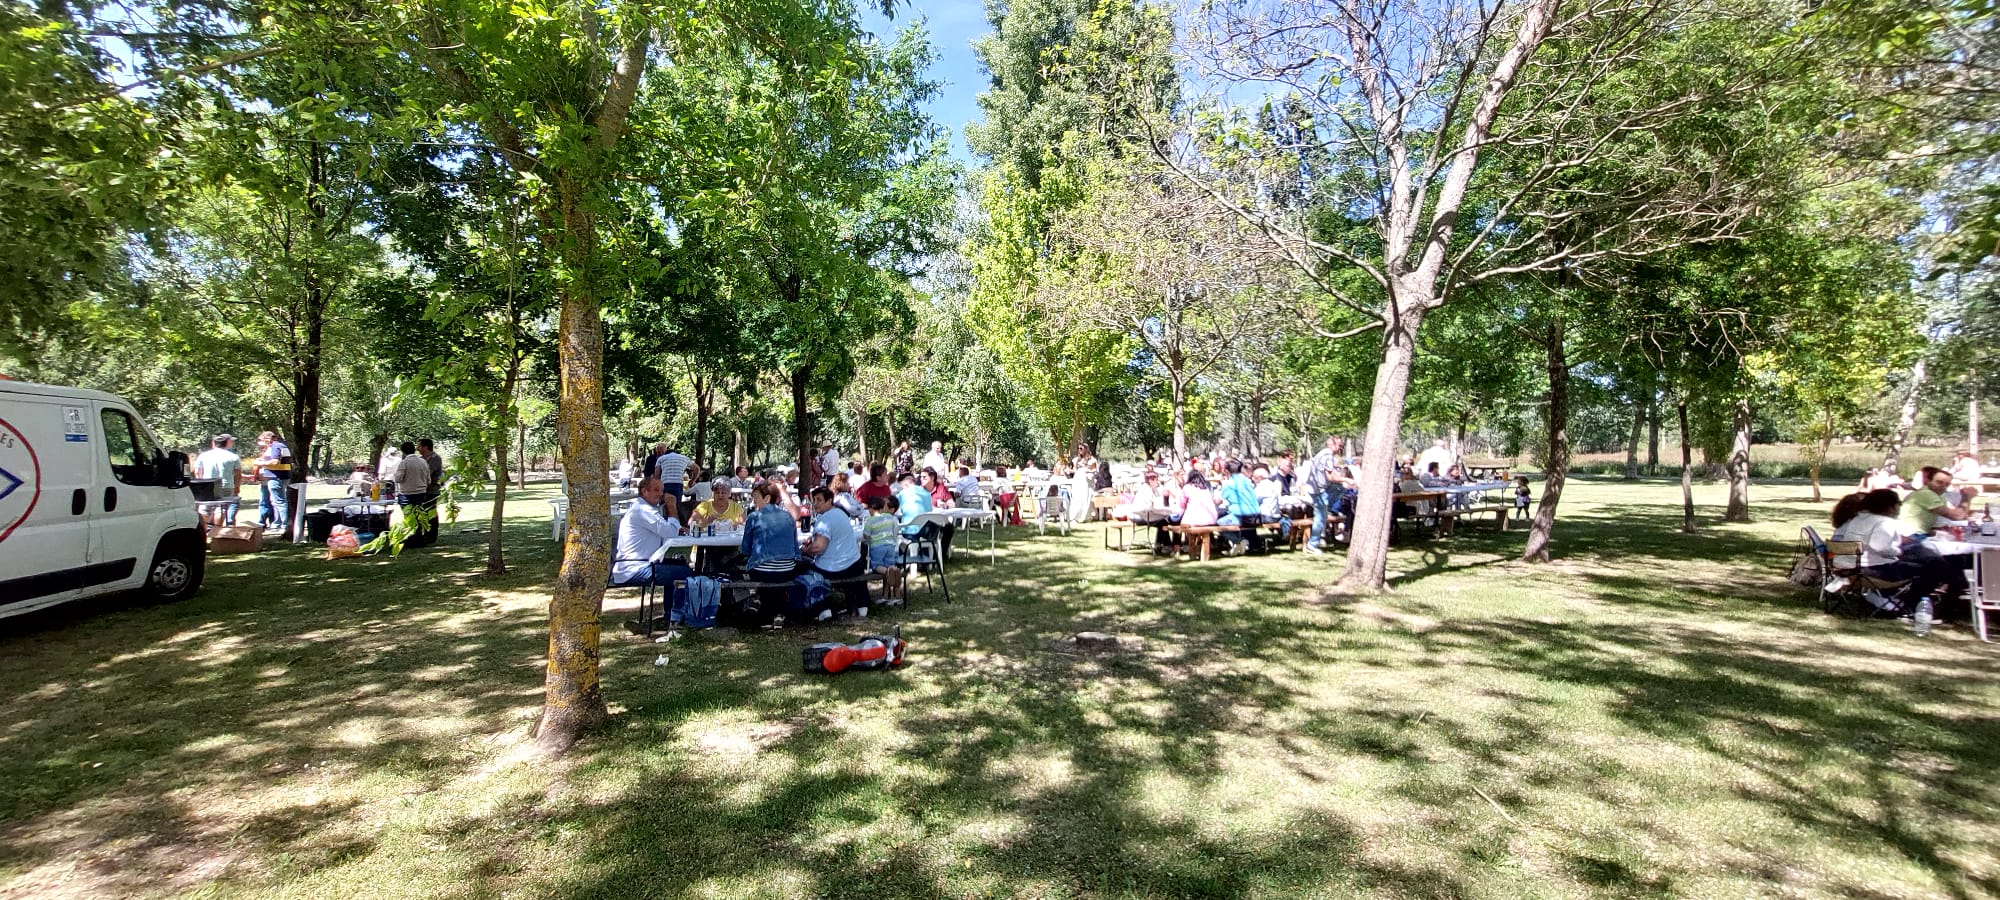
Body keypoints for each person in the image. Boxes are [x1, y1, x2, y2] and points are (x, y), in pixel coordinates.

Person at [1834, 488, 1968, 617]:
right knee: (1933, 567)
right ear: (1890, 506)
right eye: (1898, 503)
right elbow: (1880, 547)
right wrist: (1896, 551)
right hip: (1873, 571)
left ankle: (1904, 600)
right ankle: (1913, 605)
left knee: (1930, 563)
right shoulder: (1883, 522)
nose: (1899, 506)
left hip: (1851, 569)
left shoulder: (1859, 519)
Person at [611, 476, 693, 590]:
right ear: (644, 491)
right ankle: (676, 608)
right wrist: (671, 506)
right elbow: (671, 533)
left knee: (680, 565)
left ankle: (671, 607)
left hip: (639, 564)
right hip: (635, 568)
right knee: (686, 573)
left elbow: (667, 531)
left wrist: (677, 528)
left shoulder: (644, 508)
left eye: (662, 490)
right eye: (656, 490)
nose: (661, 494)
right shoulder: (643, 510)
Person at [805, 487, 867, 616]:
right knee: (855, 573)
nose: (815, 504)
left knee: (806, 572)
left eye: (819, 500)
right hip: (853, 564)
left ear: (829, 501)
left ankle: (822, 608)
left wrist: (805, 550)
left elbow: (818, 547)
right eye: (814, 500)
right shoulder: (841, 514)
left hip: (832, 569)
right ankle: (862, 605)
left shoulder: (825, 519)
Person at [1901, 466, 1970, 533]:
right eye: (1939, 482)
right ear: (1928, 481)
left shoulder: (1935, 495)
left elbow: (1960, 515)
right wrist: (1966, 496)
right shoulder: (1927, 494)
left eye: (1947, 484)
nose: (1943, 487)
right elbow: (1958, 516)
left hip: (1915, 534)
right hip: (1910, 536)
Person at [1304, 436, 1342, 553]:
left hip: (1317, 489)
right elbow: (1330, 477)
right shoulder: (1328, 456)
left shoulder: (1320, 454)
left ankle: (1328, 509)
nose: (1341, 448)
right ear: (1332, 445)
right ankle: (1312, 544)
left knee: (1339, 489)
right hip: (1319, 491)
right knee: (1320, 518)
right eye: (1340, 446)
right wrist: (1346, 480)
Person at [1216, 459, 1262, 555]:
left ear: (1227, 471)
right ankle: (1240, 545)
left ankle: (1239, 541)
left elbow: (1218, 501)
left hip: (1241, 516)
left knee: (1218, 523)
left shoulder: (1229, 484)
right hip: (1256, 515)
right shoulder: (1247, 481)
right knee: (1229, 518)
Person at [864, 494, 905, 604]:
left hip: (879, 547)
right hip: (891, 546)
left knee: (877, 566)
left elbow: (866, 536)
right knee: (892, 569)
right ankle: (891, 596)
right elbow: (893, 534)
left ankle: (892, 586)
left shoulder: (871, 520)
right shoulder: (891, 519)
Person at [391, 441, 433, 546]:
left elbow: (398, 478)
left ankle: (412, 538)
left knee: (409, 517)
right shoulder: (423, 462)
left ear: (403, 451)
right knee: (420, 517)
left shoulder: (404, 462)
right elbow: (428, 480)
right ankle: (421, 538)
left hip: (407, 493)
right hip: (421, 492)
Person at [193, 434, 241, 524]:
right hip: (226, 485)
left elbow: (197, 471)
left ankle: (205, 529)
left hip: (207, 485)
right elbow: (237, 474)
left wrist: (200, 484)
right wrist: (237, 486)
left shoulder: (204, 456)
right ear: (226, 443)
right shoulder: (233, 457)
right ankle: (217, 530)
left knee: (205, 509)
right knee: (221, 509)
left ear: (213, 443)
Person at [252, 431, 292, 533]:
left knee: (279, 501)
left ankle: (284, 524)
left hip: (276, 477)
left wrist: (260, 463)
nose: (261, 443)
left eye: (262, 440)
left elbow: (275, 462)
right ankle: (277, 523)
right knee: (276, 501)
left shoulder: (275, 447)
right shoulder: (281, 446)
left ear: (268, 439)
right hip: (282, 476)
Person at [416, 438, 445, 547]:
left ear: (425, 447)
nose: (417, 448)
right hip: (421, 490)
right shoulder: (420, 459)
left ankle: (432, 536)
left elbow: (429, 473)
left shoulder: (435, 458)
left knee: (431, 513)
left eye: (419, 446)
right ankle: (423, 534)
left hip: (431, 490)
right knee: (422, 513)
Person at [1253, 464, 1288, 541]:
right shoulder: (1273, 484)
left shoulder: (1260, 486)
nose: (1253, 479)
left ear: (1259, 478)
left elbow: (1255, 500)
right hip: (1275, 516)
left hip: (1265, 516)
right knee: (1284, 518)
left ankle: (1253, 541)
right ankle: (1285, 532)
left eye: (1254, 478)